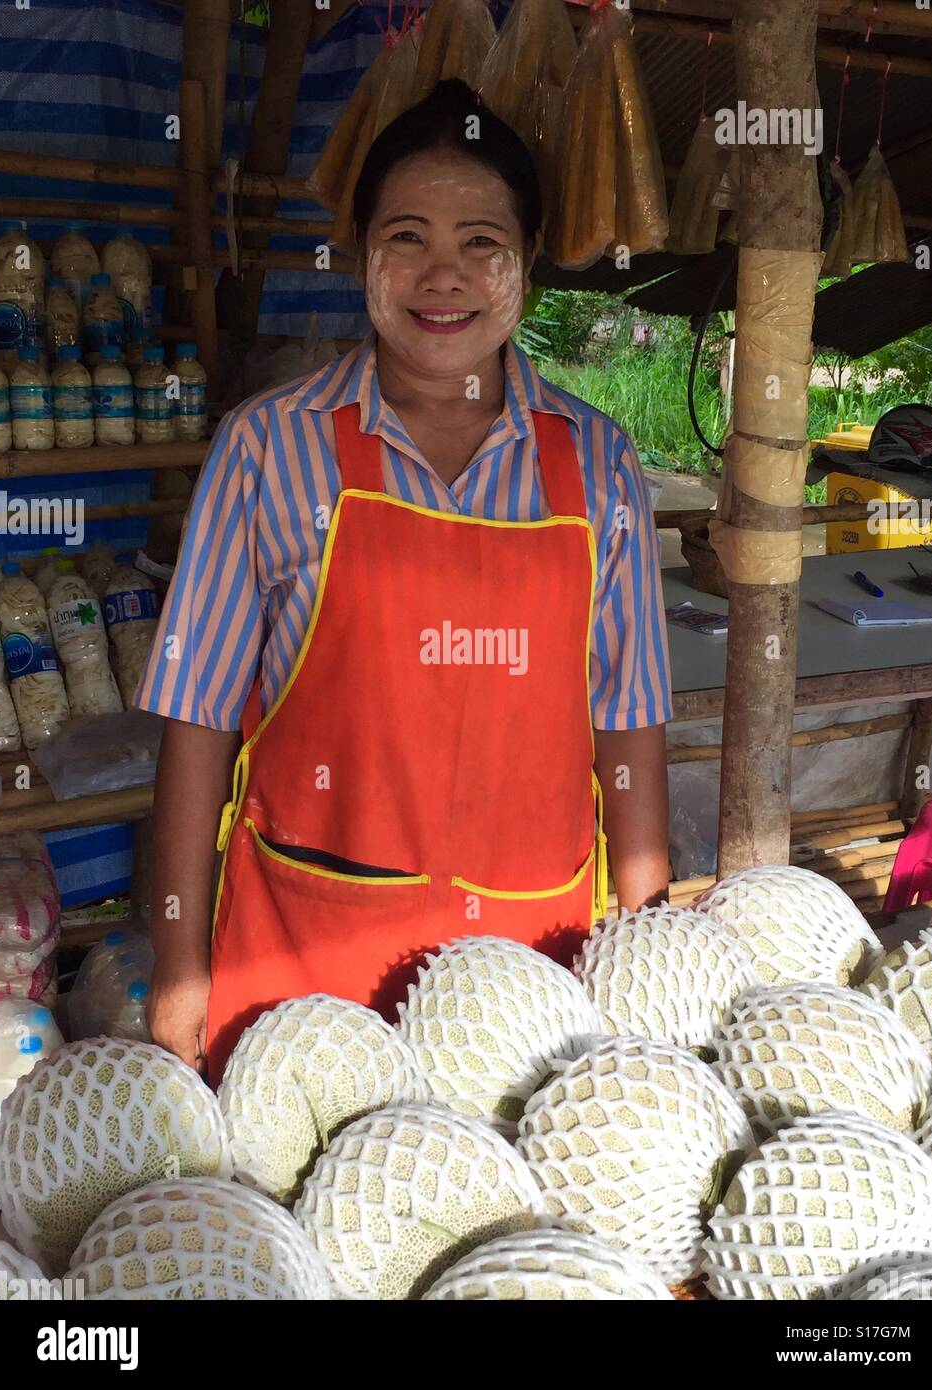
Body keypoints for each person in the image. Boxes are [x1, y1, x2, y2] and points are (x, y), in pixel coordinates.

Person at [135, 80, 673, 1085]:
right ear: (359, 253)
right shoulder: (268, 445)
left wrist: (648, 941)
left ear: (526, 265)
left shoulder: (597, 463)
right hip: (303, 954)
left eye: (480, 242)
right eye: (406, 237)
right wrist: (178, 963)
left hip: (529, 970)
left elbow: (628, 719)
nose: (442, 275)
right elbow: (194, 719)